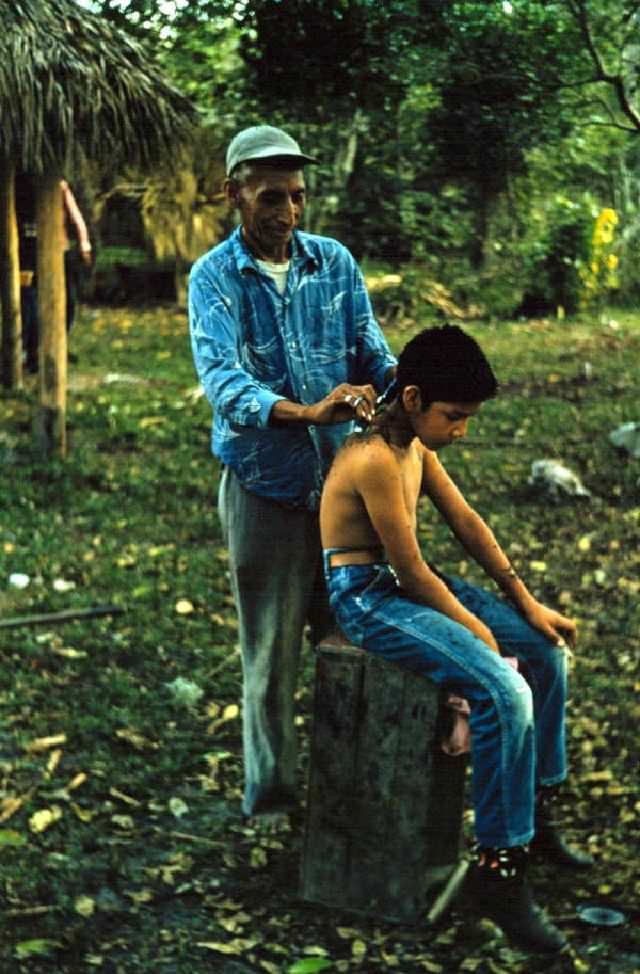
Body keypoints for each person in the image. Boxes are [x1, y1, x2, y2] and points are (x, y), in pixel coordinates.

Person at [319, 324, 593, 955]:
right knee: (506, 694)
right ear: (412, 398)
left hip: (406, 582)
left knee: (546, 655)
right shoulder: (375, 458)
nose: (463, 429)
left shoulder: (416, 445)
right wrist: (483, 642)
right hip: (368, 597)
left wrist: (526, 607)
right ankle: (501, 873)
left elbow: (467, 523)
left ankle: (534, 814)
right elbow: (410, 571)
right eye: (456, 416)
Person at [188, 125, 397, 818]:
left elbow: (371, 348)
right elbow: (224, 383)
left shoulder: (332, 263)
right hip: (265, 489)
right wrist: (308, 413)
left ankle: (351, 790)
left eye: (297, 198)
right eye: (270, 197)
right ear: (234, 193)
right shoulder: (214, 277)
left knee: (356, 635)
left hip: (343, 491)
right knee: (271, 654)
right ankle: (272, 800)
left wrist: (408, 389)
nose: (286, 213)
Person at [16, 175, 92, 372]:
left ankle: (53, 345)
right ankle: (33, 351)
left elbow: (75, 215)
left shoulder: (57, 185)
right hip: (29, 252)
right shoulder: (19, 186)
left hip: (57, 251)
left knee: (66, 302)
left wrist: (84, 243)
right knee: (31, 301)